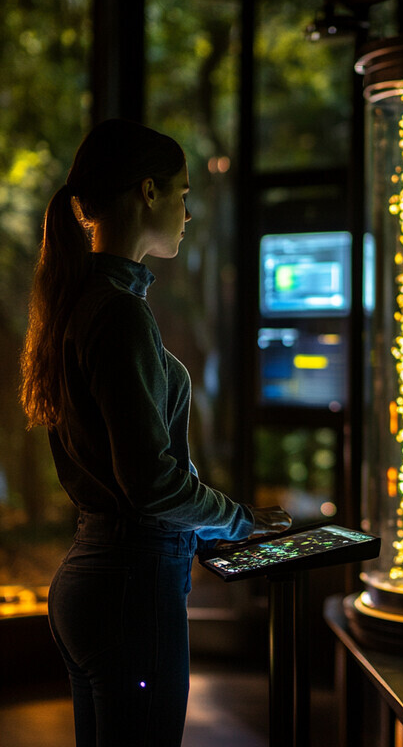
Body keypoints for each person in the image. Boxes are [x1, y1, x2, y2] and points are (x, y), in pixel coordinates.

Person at [19, 119, 291, 747]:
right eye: (183, 194)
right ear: (148, 192)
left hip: (94, 582)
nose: (187, 213)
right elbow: (148, 480)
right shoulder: (117, 314)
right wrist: (239, 519)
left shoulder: (80, 301)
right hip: (130, 591)